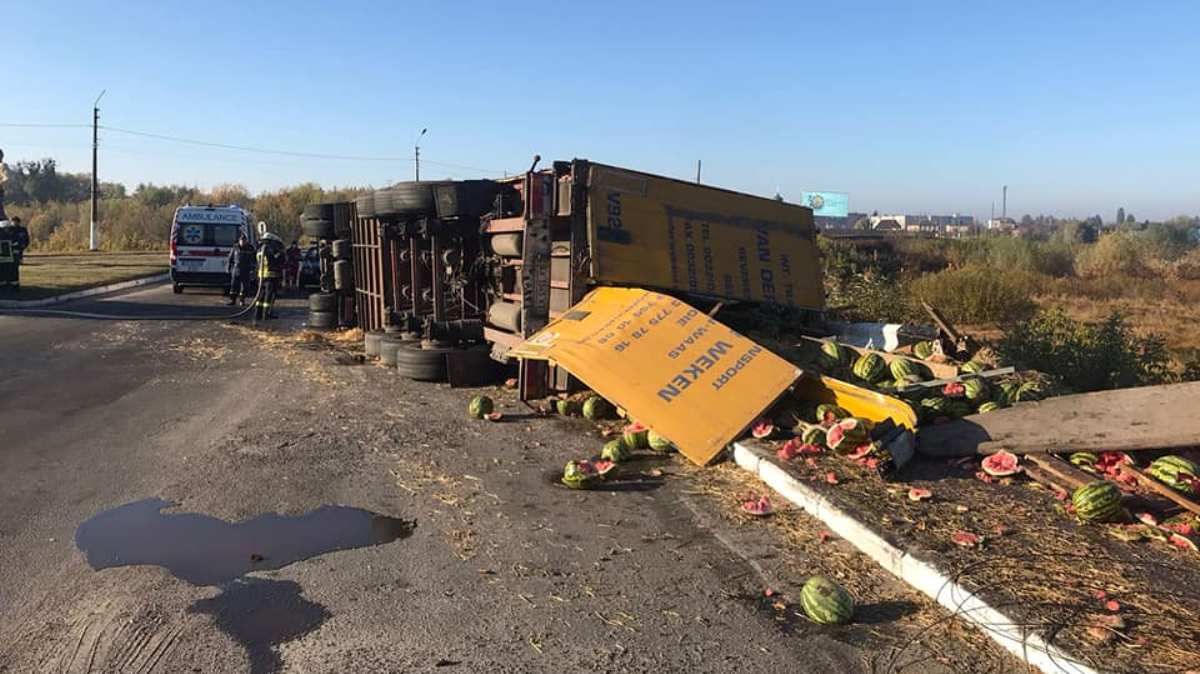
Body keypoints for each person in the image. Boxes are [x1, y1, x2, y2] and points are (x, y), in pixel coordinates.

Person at [255, 230, 285, 320]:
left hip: (261, 277)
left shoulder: (260, 249)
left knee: (261, 296)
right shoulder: (269, 250)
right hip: (270, 276)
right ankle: (266, 315)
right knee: (268, 296)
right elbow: (273, 262)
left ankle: (258, 314)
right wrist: (280, 255)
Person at [226, 233, 256, 306]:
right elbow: (230, 258)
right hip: (236, 270)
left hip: (246, 270)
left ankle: (242, 300)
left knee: (244, 287)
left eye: (244, 240)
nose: (243, 242)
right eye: (241, 240)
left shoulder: (250, 248)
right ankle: (233, 300)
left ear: (246, 241)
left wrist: (253, 269)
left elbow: (253, 260)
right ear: (239, 241)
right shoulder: (235, 248)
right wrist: (228, 267)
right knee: (234, 286)